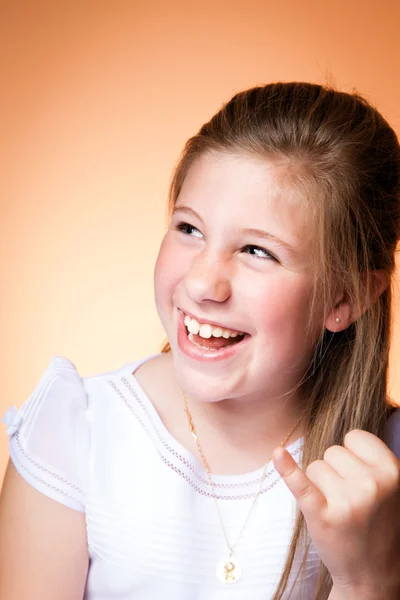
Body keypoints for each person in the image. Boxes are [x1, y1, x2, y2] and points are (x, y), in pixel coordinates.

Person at [1, 82, 400, 600]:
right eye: (189, 229)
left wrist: (366, 580)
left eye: (257, 250)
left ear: (345, 297)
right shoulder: (75, 434)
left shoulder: (384, 473)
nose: (202, 284)